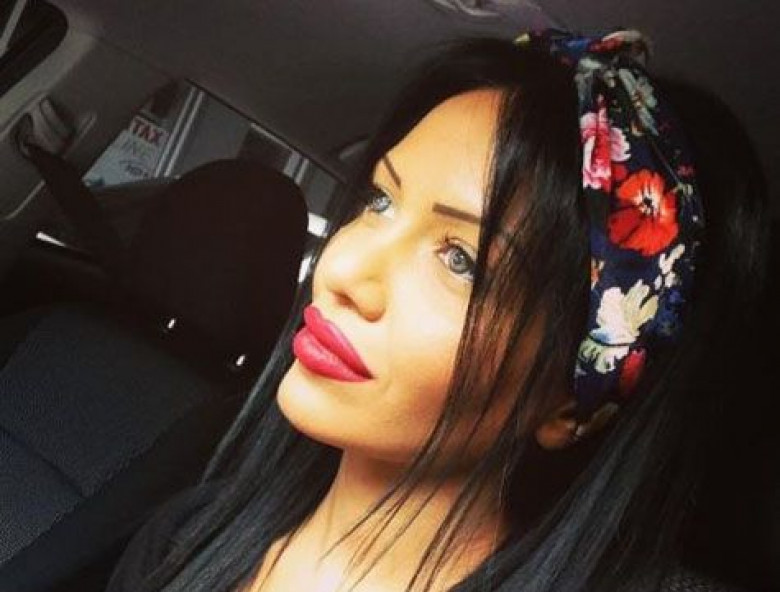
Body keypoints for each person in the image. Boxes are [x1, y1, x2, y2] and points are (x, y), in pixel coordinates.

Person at [105, 29, 770, 592]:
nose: (343, 272)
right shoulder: (185, 536)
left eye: (461, 260)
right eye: (379, 202)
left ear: (570, 402)